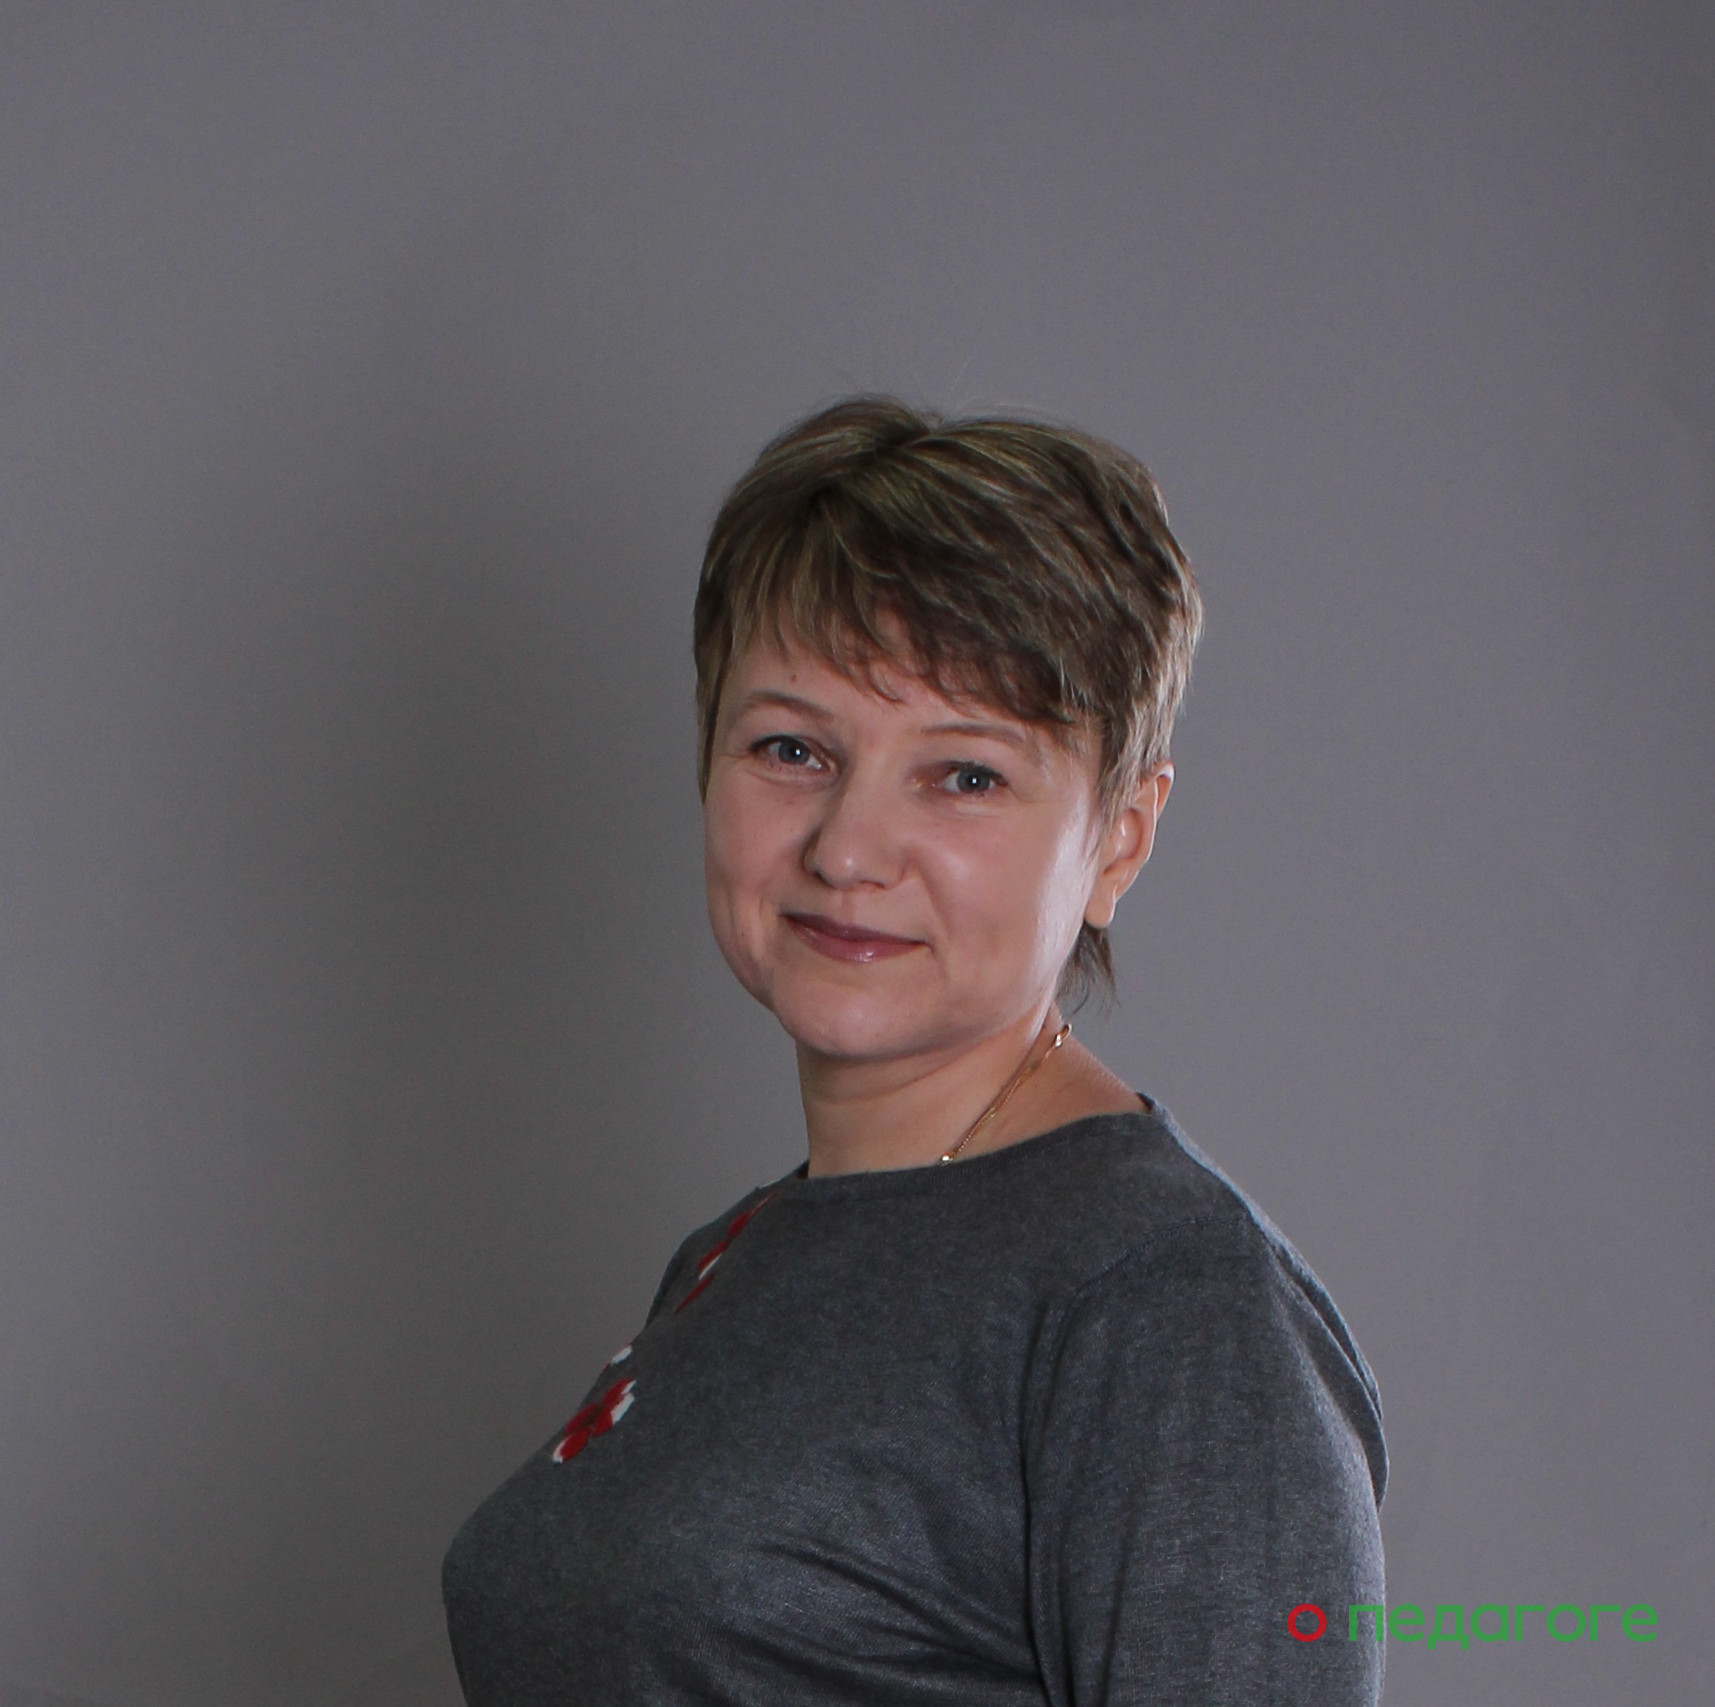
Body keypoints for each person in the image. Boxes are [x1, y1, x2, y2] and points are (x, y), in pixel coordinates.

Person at [441, 397, 1387, 1704]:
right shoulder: (733, 1255)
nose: (847, 849)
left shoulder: (1165, 1303)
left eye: (965, 776)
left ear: (1119, 838)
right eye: (792, 749)